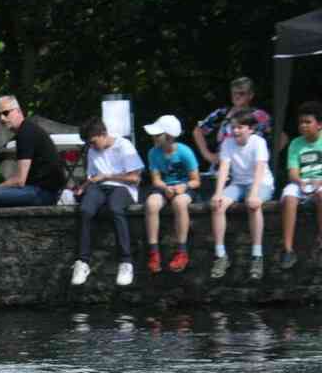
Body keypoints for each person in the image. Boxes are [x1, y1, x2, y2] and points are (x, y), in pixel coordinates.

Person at [69, 118, 144, 286]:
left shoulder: (123, 146)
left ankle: (126, 261)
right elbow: (93, 176)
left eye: (94, 142)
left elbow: (135, 178)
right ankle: (83, 262)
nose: (92, 147)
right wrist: (83, 187)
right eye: (89, 144)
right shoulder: (91, 150)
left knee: (115, 208)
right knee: (86, 210)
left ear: (103, 134)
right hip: (99, 186)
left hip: (123, 187)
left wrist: (108, 176)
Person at [210, 109, 274, 280]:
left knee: (253, 206)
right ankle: (221, 255)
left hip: (261, 183)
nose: (235, 131)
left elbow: (259, 170)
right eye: (233, 127)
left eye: (240, 127)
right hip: (238, 183)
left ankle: (257, 255)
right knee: (217, 206)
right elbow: (224, 169)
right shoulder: (227, 143)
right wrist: (217, 194)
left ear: (250, 129)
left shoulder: (258, 142)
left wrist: (253, 195)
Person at [0, 95, 65, 207]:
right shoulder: (27, 129)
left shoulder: (25, 133)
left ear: (18, 111)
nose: (2, 118)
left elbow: (20, 180)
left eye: (6, 113)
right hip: (43, 190)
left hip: (44, 193)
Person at [142, 115, 200, 274]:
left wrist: (184, 186)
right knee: (151, 203)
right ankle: (154, 253)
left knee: (179, 203)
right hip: (164, 187)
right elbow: (156, 180)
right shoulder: (153, 152)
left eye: (157, 135)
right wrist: (165, 187)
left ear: (169, 137)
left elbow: (196, 181)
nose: (153, 137)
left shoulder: (185, 152)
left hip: (184, 188)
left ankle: (182, 252)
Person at [193, 77, 272, 169]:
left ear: (251, 95)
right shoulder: (222, 113)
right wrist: (208, 155)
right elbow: (197, 131)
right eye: (234, 93)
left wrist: (264, 157)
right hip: (222, 168)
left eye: (241, 93)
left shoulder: (260, 116)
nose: (237, 96)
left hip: (249, 170)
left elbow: (281, 138)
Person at [279, 101, 322, 269]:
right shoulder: (295, 143)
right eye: (301, 122)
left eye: (307, 122)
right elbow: (293, 172)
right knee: (289, 196)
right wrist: (300, 182)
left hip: (320, 182)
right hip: (302, 182)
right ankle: (288, 250)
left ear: (319, 124)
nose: (303, 126)